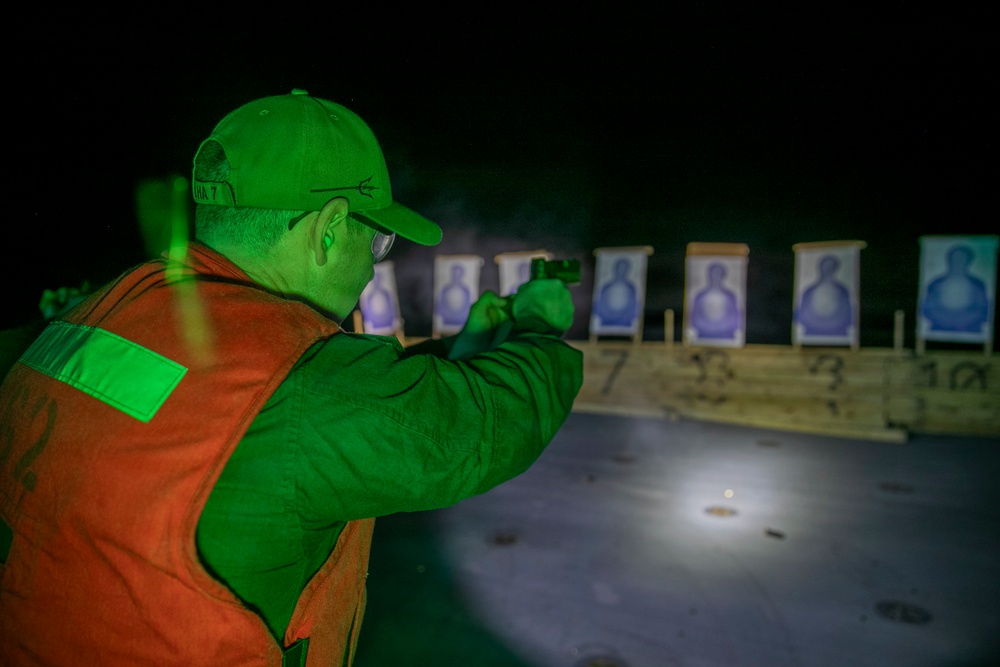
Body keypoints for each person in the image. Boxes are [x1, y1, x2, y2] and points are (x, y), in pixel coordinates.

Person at [0, 90, 582, 666]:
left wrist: (461, 349)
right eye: (377, 241)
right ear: (328, 229)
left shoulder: (104, 311)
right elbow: (481, 426)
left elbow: (288, 397)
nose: (373, 263)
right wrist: (538, 324)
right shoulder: (297, 383)